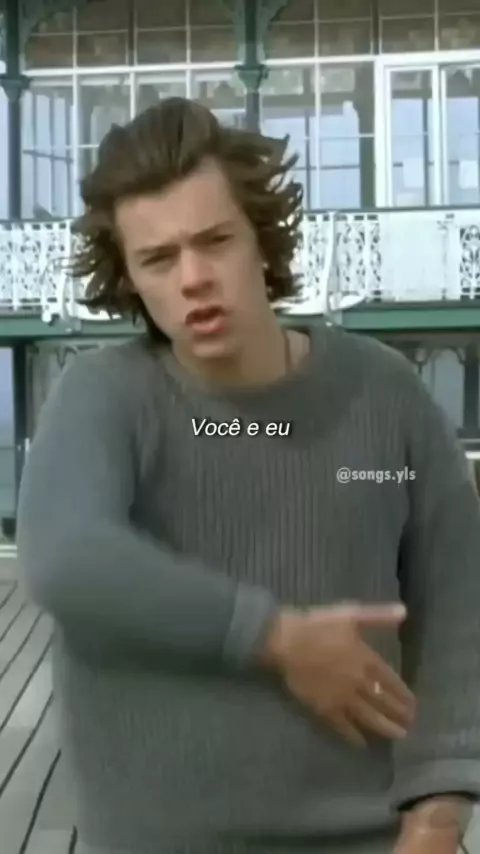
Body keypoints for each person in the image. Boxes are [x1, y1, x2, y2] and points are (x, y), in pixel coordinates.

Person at [16, 97, 480, 854]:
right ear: (130, 278)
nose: (194, 278)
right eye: (159, 259)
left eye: (215, 241)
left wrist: (438, 816)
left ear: (260, 239)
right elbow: (67, 557)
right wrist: (276, 638)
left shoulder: (385, 393)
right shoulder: (102, 397)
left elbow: (460, 604)